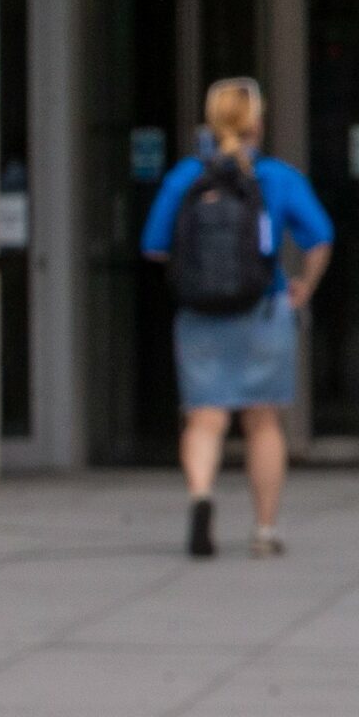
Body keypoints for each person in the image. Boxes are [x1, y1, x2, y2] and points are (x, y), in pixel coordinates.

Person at [140, 77, 333, 559]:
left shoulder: (186, 176)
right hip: (263, 310)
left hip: (200, 315)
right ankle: (265, 530)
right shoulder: (277, 177)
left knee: (204, 419)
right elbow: (320, 238)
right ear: (257, 123)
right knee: (262, 422)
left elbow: (154, 246)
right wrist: (305, 285)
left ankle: (201, 496)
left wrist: (195, 273)